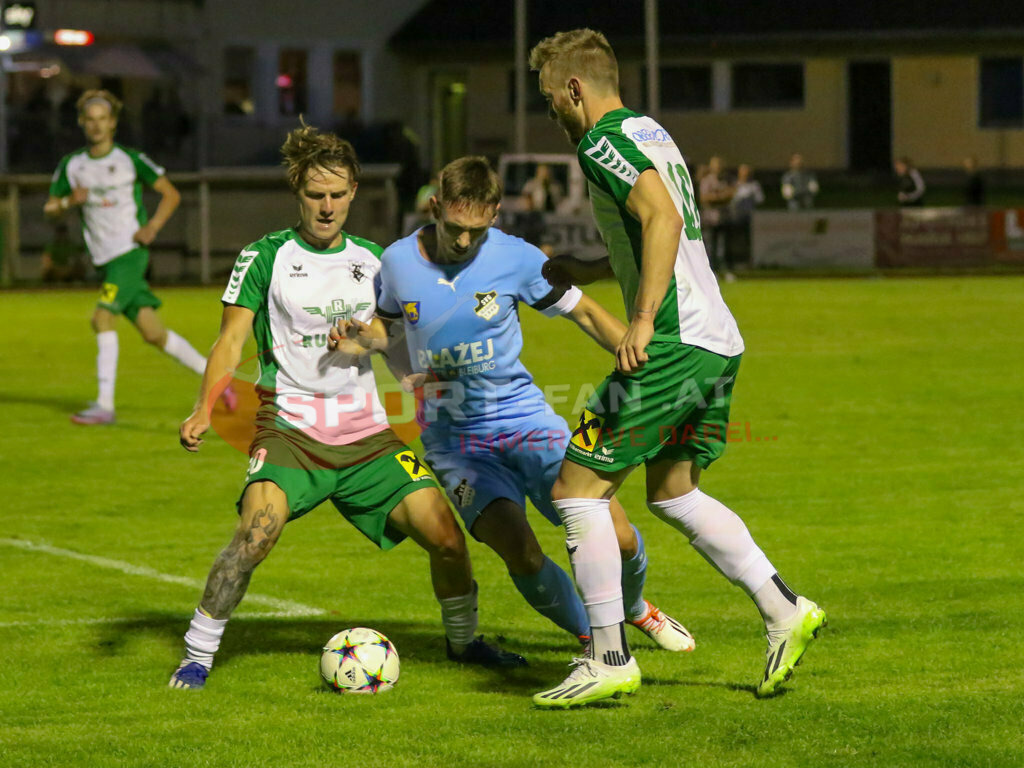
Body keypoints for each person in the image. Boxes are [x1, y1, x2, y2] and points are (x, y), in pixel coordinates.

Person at [168, 124, 524, 690]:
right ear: (297, 193)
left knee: (447, 538)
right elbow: (229, 341)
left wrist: (420, 382)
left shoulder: (379, 261)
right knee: (255, 536)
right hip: (292, 430)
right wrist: (203, 408)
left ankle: (464, 643)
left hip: (368, 439)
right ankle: (197, 655)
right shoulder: (265, 257)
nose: (326, 206)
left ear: (354, 191)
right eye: (315, 195)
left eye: (337, 194)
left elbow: (398, 342)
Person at [531, 28, 826, 707]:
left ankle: (608, 656)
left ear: (575, 88)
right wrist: (593, 268)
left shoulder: (599, 140)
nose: (554, 116)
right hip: (715, 336)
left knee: (577, 491)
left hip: (671, 341)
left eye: (551, 102)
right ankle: (785, 610)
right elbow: (663, 227)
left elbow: (661, 219)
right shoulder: (652, 131)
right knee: (672, 491)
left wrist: (640, 319)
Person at [365, 155, 694, 655]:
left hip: (525, 421)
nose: (463, 242)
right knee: (520, 551)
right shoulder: (395, 262)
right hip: (454, 442)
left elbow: (582, 310)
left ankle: (636, 609)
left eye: (476, 231)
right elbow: (385, 326)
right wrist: (356, 338)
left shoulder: (516, 257)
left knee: (620, 536)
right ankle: (599, 642)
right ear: (433, 207)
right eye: (454, 228)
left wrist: (638, 355)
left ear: (495, 214)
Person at [45, 89, 236, 425]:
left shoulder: (131, 160)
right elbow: (49, 210)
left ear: (113, 123)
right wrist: (66, 203)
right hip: (106, 262)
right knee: (153, 333)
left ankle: (105, 406)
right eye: (90, 119)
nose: (96, 125)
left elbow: (170, 194)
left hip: (129, 256)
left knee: (101, 318)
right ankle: (221, 382)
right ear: (81, 123)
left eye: (103, 119)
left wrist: (153, 227)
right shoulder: (72, 165)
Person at [698, 155, 734, 280]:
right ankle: (712, 272)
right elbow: (704, 198)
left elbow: (731, 194)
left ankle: (725, 270)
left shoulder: (726, 179)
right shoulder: (706, 180)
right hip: (710, 219)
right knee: (710, 247)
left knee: (724, 247)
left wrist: (716, 197)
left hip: (723, 218)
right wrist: (720, 197)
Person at [728, 164, 765, 267]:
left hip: (750, 219)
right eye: (743, 172)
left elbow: (760, 200)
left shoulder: (754, 185)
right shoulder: (734, 185)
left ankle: (749, 262)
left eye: (747, 172)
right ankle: (734, 262)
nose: (745, 174)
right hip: (735, 217)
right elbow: (730, 200)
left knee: (749, 242)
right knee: (735, 241)